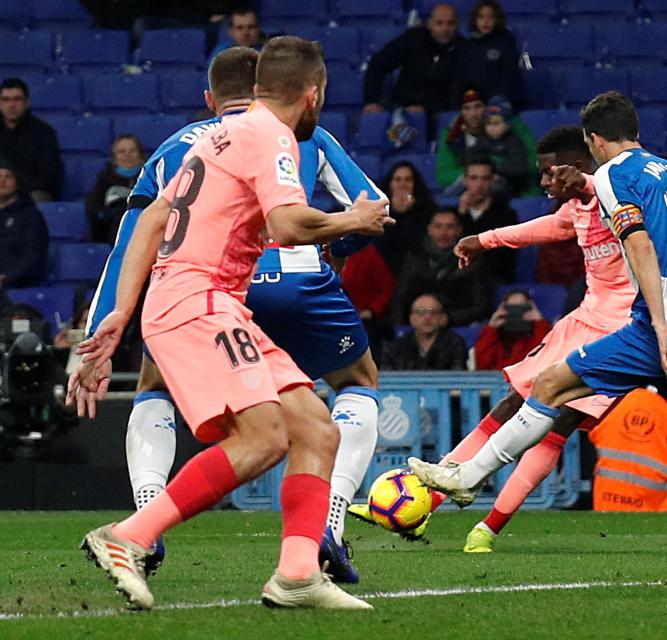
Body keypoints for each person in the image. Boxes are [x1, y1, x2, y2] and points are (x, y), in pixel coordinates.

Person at [409, 91, 667, 556]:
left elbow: (639, 247)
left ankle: (466, 477)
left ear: (594, 141)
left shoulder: (614, 176)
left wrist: (656, 322)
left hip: (661, 329)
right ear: (636, 132)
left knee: (549, 383)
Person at [68, 37, 391, 611]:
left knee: (317, 429)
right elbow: (289, 224)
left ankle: (296, 576)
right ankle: (130, 535)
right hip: (199, 299)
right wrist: (355, 218)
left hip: (202, 300)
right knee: (264, 437)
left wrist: (121, 311)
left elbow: (148, 223)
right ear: (312, 94)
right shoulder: (272, 136)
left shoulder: (216, 134)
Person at [353, 125, 635, 551]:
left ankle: (488, 528)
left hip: (623, 329)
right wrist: (484, 239)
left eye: (548, 173)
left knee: (560, 421)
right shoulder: (576, 208)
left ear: (576, 168)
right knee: (512, 402)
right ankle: (424, 501)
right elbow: (540, 229)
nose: (541, 183)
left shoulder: (624, 198)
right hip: (584, 319)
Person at [391, 209, 493, 326]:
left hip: (458, 325)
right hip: (418, 324)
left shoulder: (472, 261)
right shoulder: (414, 259)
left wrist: (448, 318)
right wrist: (401, 324)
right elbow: (400, 298)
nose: (443, 233)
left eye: (450, 227)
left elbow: (482, 306)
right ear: (430, 230)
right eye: (438, 226)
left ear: (459, 230)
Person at [362, 3, 461, 117]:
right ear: (429, 24)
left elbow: (457, 93)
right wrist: (371, 101)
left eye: (450, 23)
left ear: (457, 25)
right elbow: (378, 63)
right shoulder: (413, 38)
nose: (445, 29)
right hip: (402, 109)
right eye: (439, 23)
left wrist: (426, 109)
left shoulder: (463, 49)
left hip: (439, 113)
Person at [457, 154, 518, 284]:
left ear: (493, 180)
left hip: (491, 281)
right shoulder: (453, 215)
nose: (479, 184)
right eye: (473, 178)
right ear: (464, 180)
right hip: (457, 280)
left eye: (485, 178)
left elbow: (500, 261)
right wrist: (462, 215)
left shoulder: (506, 216)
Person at [0, 77, 62, 203]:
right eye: (6, 100)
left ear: (27, 103)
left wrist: (15, 190)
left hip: (31, 193)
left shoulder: (44, 133)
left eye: (17, 99)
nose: (11, 105)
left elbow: (48, 177)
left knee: (37, 198)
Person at [454, 0, 521, 108]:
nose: (485, 21)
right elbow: (460, 79)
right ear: (475, 20)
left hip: (499, 105)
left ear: (497, 20)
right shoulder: (468, 45)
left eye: (490, 17)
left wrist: (497, 102)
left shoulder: (505, 41)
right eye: (481, 17)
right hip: (472, 104)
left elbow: (510, 77)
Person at [375, 160, 437, 273]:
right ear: (390, 184)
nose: (402, 184)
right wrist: (396, 213)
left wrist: (405, 213)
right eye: (397, 179)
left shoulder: (428, 209)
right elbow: (378, 246)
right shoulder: (378, 210)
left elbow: (422, 245)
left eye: (408, 179)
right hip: (382, 266)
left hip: (418, 269)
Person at [381, 293, 467, 370]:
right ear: (411, 318)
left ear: (442, 318)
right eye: (421, 312)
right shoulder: (396, 347)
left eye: (432, 312)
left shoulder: (454, 343)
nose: (427, 317)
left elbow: (458, 377)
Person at [85, 134, 145, 244]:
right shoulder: (104, 180)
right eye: (122, 152)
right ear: (114, 157)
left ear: (140, 155)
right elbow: (94, 208)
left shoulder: (149, 178)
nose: (128, 155)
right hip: (110, 231)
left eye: (132, 151)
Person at [0, 158, 49, 289]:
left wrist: (6, 278)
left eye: (8, 176)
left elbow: (32, 258)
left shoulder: (30, 216)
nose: (2, 181)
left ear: (17, 182)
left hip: (14, 286)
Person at [474, 288, 551, 371]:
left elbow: (544, 362)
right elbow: (482, 366)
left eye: (521, 308)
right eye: (511, 308)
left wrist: (540, 324)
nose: (516, 313)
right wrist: (491, 328)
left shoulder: (539, 332)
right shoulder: (494, 336)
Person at [473, 97, 530, 196]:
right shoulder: (482, 140)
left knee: (495, 186)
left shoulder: (514, 142)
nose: (492, 128)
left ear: (507, 124)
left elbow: (519, 169)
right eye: (488, 124)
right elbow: (472, 158)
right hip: (483, 178)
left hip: (509, 183)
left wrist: (494, 169)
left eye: (496, 124)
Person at [436, 89, 486, 190]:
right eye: (467, 108)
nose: (473, 114)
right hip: (463, 188)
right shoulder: (451, 135)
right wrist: (475, 173)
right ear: (461, 111)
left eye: (478, 106)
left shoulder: (497, 127)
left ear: (486, 107)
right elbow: (443, 176)